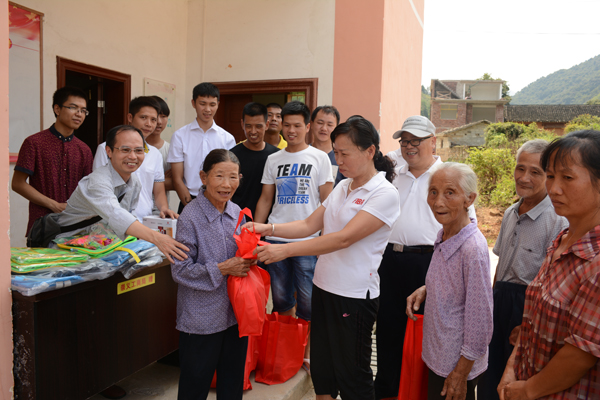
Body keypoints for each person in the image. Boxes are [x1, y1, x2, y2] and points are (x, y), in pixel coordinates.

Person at [246, 116, 399, 399]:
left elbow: (343, 239)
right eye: (336, 153)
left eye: (345, 153)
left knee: (353, 374)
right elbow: (309, 225)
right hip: (324, 286)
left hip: (353, 295)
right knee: (323, 370)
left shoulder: (384, 193)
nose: (338, 160)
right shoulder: (343, 187)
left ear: (370, 151)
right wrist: (269, 228)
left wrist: (284, 249)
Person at [374, 115, 476, 400]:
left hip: (431, 263)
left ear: (433, 141)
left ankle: (418, 392)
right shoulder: (394, 173)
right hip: (391, 262)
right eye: (405, 141)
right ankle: (387, 392)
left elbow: (467, 227)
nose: (409, 147)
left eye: (416, 141)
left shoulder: (448, 175)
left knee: (428, 335)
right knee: (388, 330)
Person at [498, 130, 600, 400]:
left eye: (567, 177)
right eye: (552, 176)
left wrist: (529, 389)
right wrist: (512, 369)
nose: (554, 188)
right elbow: (531, 321)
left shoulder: (595, 260)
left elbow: (580, 354)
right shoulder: (562, 242)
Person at [478, 140, 567, 400]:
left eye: (536, 172)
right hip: (500, 302)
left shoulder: (557, 220)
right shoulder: (509, 213)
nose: (524, 177)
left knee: (516, 380)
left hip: (529, 307)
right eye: (520, 168)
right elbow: (500, 267)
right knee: (488, 377)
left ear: (549, 176)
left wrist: (528, 322)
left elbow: (552, 280)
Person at [171, 149, 254, 400]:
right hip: (201, 319)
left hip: (234, 314)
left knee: (232, 383)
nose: (226, 185)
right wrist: (222, 268)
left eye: (233, 177)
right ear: (203, 177)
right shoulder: (191, 216)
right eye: (219, 176)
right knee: (195, 385)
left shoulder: (237, 211)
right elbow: (180, 270)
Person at [406, 162, 493, 400]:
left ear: (469, 199)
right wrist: (427, 289)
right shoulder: (445, 233)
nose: (438, 201)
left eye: (450, 193)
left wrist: (460, 374)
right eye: (433, 192)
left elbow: (481, 320)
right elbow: (456, 284)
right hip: (438, 355)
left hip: (455, 364)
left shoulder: (472, 248)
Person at [55, 125, 188, 264]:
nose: (132, 156)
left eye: (138, 150)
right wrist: (157, 238)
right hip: (70, 249)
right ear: (109, 151)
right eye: (125, 150)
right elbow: (117, 215)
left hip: (101, 246)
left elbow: (128, 217)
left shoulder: (134, 181)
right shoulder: (97, 182)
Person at [254, 100, 333, 327]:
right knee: (280, 299)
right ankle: (286, 351)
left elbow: (327, 203)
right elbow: (266, 199)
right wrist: (256, 236)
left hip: (308, 240)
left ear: (308, 127)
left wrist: (325, 241)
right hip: (275, 238)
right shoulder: (273, 159)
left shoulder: (320, 158)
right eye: (287, 125)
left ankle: (306, 353)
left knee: (308, 300)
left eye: (297, 126)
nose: (291, 130)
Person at [12, 86, 93, 235]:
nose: (79, 114)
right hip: (42, 224)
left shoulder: (84, 150)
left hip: (76, 226)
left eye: (83, 111)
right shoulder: (34, 142)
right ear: (57, 109)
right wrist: (54, 205)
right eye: (73, 108)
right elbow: (17, 184)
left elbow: (88, 188)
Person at [93, 96, 176, 221]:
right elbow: (99, 189)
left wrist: (164, 208)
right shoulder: (106, 149)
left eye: (153, 119)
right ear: (130, 118)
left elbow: (159, 191)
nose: (149, 124)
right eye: (143, 117)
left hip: (145, 220)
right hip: (113, 222)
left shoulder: (155, 154)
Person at [168, 82, 236, 214]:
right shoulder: (180, 136)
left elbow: (230, 174)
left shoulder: (227, 139)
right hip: (188, 200)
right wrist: (190, 205)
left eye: (212, 104)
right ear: (193, 103)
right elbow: (177, 178)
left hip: (219, 200)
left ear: (218, 104)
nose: (208, 109)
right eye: (202, 103)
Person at [230, 102, 279, 216]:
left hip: (269, 225)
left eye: (258, 126)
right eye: (248, 126)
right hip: (238, 223)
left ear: (267, 125)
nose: (253, 131)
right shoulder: (232, 156)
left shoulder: (276, 156)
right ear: (242, 124)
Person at [310, 105, 344, 185]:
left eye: (329, 125)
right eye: (320, 123)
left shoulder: (342, 158)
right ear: (311, 124)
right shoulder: (302, 153)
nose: (324, 128)